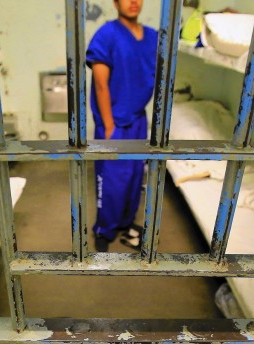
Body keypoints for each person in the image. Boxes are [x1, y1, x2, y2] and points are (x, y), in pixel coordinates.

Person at [86, 0, 158, 252]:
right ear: (116, 2)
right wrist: (107, 125)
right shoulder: (106, 35)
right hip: (113, 121)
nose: (133, 1)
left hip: (138, 120)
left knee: (134, 177)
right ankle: (104, 229)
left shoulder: (153, 37)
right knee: (111, 179)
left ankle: (125, 223)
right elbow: (101, 85)